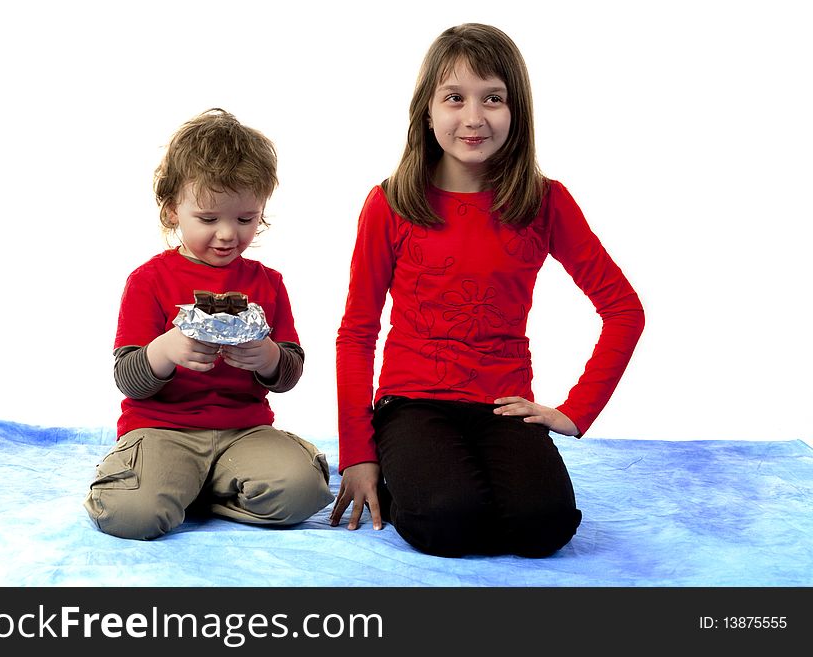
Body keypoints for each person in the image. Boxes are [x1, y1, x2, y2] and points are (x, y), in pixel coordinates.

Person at [330, 24, 645, 558]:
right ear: (427, 111)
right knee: (448, 525)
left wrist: (575, 411)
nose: (473, 118)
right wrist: (357, 454)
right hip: (414, 400)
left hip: (502, 403)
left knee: (545, 527)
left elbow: (623, 310)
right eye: (455, 98)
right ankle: (402, 470)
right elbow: (356, 333)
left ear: (515, 111)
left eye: (492, 99)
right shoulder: (389, 204)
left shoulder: (546, 203)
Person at [85, 108, 333, 540]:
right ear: (171, 211)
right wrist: (166, 352)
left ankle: (196, 495)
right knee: (131, 515)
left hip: (245, 431)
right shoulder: (150, 280)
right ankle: (158, 480)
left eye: (244, 219)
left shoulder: (268, 283)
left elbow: (289, 372)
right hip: (164, 430)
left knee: (304, 493)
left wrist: (269, 357)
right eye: (208, 219)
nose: (226, 235)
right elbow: (128, 378)